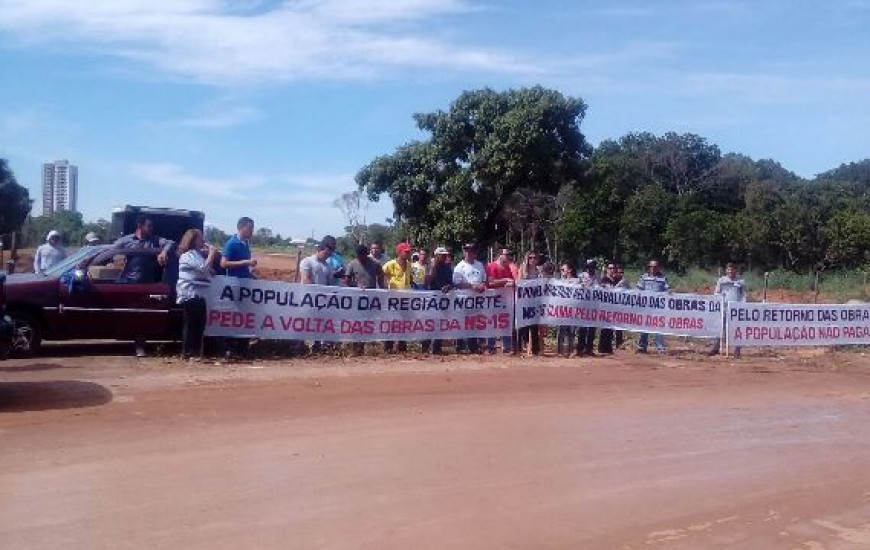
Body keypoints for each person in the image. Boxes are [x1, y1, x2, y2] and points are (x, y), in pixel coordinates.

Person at [115, 216, 175, 358]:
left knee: (142, 316)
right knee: (125, 314)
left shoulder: (154, 240)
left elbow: (171, 243)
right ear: (140, 226)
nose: (152, 228)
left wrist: (164, 252)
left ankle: (140, 346)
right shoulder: (126, 241)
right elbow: (111, 249)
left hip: (146, 285)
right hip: (127, 284)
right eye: (149, 226)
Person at [219, 217, 257, 361]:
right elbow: (224, 264)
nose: (252, 231)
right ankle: (229, 349)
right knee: (233, 317)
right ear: (242, 228)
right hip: (234, 285)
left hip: (244, 285)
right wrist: (246, 262)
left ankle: (242, 349)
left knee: (244, 317)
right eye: (250, 228)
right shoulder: (231, 243)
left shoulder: (246, 244)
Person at [176, 229, 216, 361]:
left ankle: (196, 352)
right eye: (200, 238)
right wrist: (211, 254)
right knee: (191, 324)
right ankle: (187, 353)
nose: (202, 241)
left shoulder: (197, 254)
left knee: (200, 324)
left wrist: (210, 269)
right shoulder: (188, 255)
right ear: (193, 240)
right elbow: (203, 268)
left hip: (199, 295)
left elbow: (205, 270)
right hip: (190, 294)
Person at [300, 238, 338, 353]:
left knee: (320, 324)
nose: (328, 256)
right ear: (321, 249)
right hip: (308, 299)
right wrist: (315, 294)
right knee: (306, 323)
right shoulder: (307, 262)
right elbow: (305, 279)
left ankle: (317, 346)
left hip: (322, 301)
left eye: (330, 254)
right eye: (326, 253)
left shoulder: (327, 266)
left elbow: (330, 284)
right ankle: (301, 346)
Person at [345, 244, 386, 355]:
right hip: (356, 300)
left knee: (368, 322)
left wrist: (383, 291)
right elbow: (347, 280)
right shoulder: (352, 264)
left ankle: (363, 347)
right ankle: (355, 348)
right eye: (359, 256)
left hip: (371, 299)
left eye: (363, 256)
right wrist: (355, 286)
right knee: (356, 323)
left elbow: (381, 277)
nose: (361, 258)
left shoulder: (375, 264)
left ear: (366, 254)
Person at [452, 243, 487, 354]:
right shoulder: (460, 266)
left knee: (475, 323)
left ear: (475, 252)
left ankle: (474, 346)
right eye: (467, 250)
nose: (469, 253)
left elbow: (484, 279)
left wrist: (482, 285)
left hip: (477, 300)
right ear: (464, 252)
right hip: (464, 300)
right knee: (463, 323)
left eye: (471, 250)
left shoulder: (479, 265)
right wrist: (472, 286)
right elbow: (457, 282)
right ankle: (460, 346)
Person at [708, 263, 746, 357]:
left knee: (737, 330)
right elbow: (716, 293)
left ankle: (737, 350)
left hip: (736, 310)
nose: (730, 271)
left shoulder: (741, 281)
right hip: (723, 308)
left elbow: (744, 295)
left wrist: (742, 304)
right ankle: (715, 348)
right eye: (729, 269)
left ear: (736, 270)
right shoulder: (721, 280)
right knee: (720, 328)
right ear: (726, 270)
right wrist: (720, 298)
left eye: (732, 269)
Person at [382, 243, 413, 353]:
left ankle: (402, 347)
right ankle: (388, 348)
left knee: (405, 323)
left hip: (406, 299)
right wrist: (386, 286)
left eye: (409, 252)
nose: (408, 253)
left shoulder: (409, 264)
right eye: (406, 252)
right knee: (392, 322)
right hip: (393, 299)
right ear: (399, 252)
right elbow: (381, 273)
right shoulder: (390, 264)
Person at [485, 248, 516, 354]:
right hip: (493, 300)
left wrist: (510, 283)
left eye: (509, 255)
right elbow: (491, 283)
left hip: (505, 300)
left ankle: (507, 346)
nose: (508, 257)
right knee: (492, 322)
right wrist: (506, 280)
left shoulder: (507, 267)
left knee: (505, 323)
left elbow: (511, 280)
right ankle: (490, 346)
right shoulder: (491, 266)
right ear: (500, 255)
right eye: (506, 255)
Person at [425, 247, 454, 354]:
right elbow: (426, 282)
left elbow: (451, 283)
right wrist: (432, 269)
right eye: (442, 255)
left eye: (445, 255)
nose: (444, 256)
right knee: (430, 323)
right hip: (431, 300)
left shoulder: (447, 268)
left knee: (441, 323)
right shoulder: (430, 266)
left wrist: (448, 286)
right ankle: (426, 347)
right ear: (436, 256)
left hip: (443, 300)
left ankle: (437, 347)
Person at [636, 259, 670, 354]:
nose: (653, 269)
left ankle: (661, 348)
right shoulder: (644, 277)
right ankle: (641, 347)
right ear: (649, 267)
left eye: (655, 267)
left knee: (658, 328)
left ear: (658, 268)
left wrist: (669, 293)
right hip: (645, 307)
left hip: (658, 308)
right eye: (651, 267)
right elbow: (638, 290)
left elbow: (667, 290)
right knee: (644, 328)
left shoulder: (663, 278)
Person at [517, 251, 541, 356]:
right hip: (525, 301)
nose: (532, 260)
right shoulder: (522, 269)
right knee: (524, 325)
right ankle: (524, 345)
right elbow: (519, 282)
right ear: (527, 259)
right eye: (530, 257)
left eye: (534, 257)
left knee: (534, 326)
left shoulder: (538, 270)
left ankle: (535, 349)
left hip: (535, 301)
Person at [575, 259, 599, 356]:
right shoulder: (581, 276)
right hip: (583, 305)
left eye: (592, 267)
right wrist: (582, 285)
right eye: (589, 267)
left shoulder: (597, 277)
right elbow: (575, 287)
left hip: (593, 305)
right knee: (583, 328)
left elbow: (600, 288)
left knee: (592, 329)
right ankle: (580, 349)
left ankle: (589, 349)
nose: (590, 269)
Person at [557, 262, 578, 357]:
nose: (561, 271)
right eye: (560, 270)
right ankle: (560, 351)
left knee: (571, 331)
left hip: (572, 310)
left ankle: (570, 350)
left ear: (569, 270)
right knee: (561, 331)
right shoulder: (558, 281)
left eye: (563, 269)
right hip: (562, 310)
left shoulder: (576, 281)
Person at [597, 262, 618, 355]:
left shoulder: (616, 280)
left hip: (613, 307)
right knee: (605, 328)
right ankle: (602, 348)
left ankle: (608, 347)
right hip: (605, 307)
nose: (612, 270)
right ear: (606, 269)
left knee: (610, 328)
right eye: (610, 268)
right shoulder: (604, 280)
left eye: (613, 268)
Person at [613, 264, 629, 348]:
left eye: (622, 272)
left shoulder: (626, 281)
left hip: (621, 306)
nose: (620, 274)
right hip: (612, 307)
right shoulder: (612, 280)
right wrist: (619, 283)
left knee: (619, 326)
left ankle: (619, 343)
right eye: (618, 272)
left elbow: (630, 292)